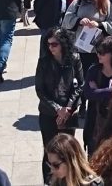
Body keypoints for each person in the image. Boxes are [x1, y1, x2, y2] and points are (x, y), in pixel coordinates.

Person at [36, 27, 84, 184]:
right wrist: (57, 109)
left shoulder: (74, 58)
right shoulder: (44, 62)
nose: (51, 48)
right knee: (49, 150)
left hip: (69, 112)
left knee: (67, 149)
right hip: (49, 113)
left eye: (54, 44)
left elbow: (79, 85)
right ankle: (49, 182)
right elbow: (40, 90)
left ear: (63, 43)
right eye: (49, 44)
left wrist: (68, 108)